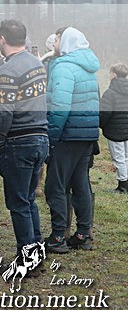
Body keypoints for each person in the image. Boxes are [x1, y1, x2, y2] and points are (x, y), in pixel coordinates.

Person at [0, 19, 49, 262]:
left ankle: (27, 259)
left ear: (2, 39)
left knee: (17, 203)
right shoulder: (38, 65)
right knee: (29, 200)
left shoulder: (7, 70)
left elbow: (6, 111)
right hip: (41, 138)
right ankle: (36, 253)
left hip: (19, 140)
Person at [44, 27, 100, 253]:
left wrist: (52, 136)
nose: (54, 42)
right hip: (86, 134)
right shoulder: (89, 67)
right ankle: (83, 234)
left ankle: (58, 236)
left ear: (65, 41)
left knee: (55, 185)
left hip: (67, 135)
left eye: (57, 38)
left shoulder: (64, 67)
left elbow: (60, 106)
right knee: (80, 184)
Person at [100, 63, 128, 194]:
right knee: (126, 157)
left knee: (119, 158)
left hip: (115, 131)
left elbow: (104, 114)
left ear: (114, 75)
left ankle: (123, 185)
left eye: (110, 73)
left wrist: (102, 125)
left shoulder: (110, 93)